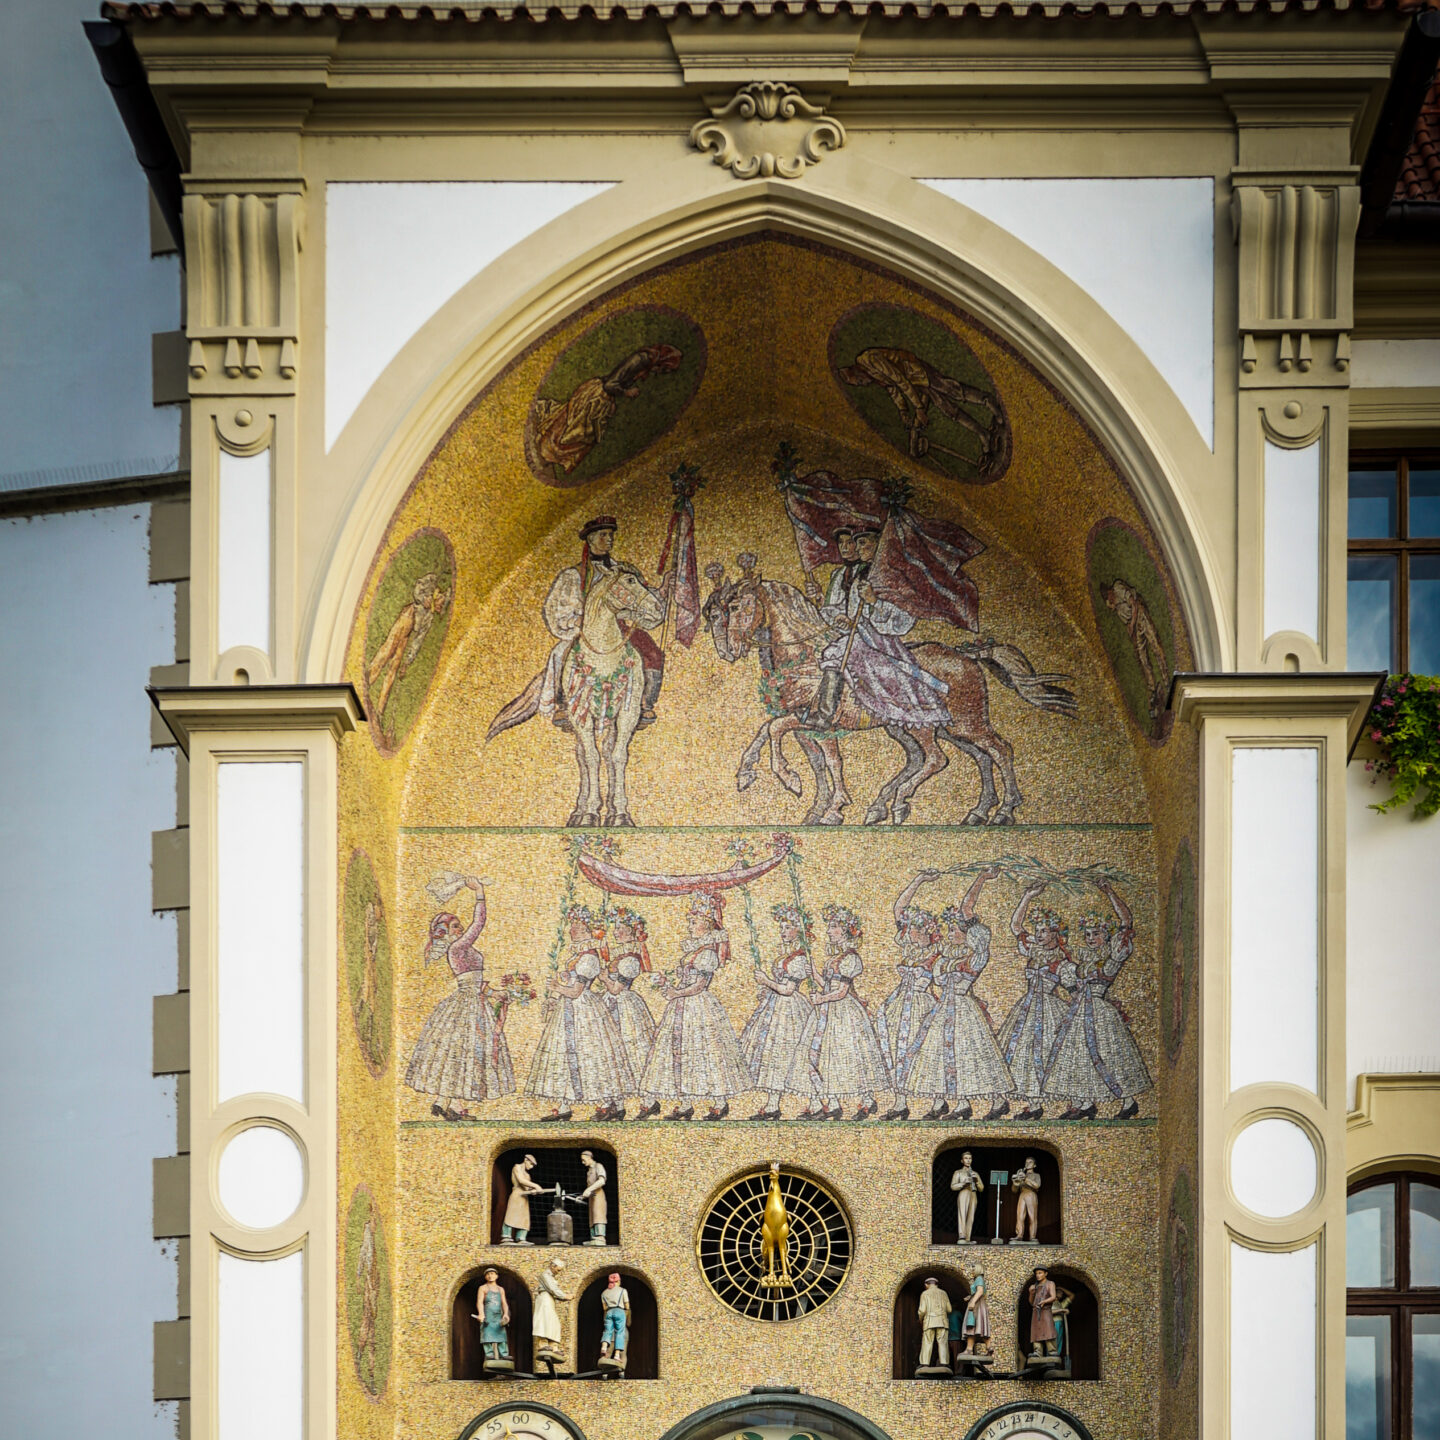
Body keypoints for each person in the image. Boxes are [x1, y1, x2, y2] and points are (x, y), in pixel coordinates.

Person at [897, 867, 1014, 1121]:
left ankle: (998, 1100)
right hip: (945, 1009)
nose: (951, 935)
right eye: (949, 931)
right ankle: (959, 1103)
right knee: (942, 1054)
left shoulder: (977, 956)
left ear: (968, 933)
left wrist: (981, 879)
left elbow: (967, 911)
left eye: (955, 930)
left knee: (971, 1053)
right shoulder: (946, 958)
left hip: (963, 1007)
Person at [807, 527, 950, 731]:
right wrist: (845, 619)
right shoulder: (862, 575)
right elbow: (853, 611)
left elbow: (903, 620)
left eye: (863, 543)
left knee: (833, 653)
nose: (858, 547)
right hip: (859, 633)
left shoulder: (894, 577)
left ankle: (824, 715)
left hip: (878, 640)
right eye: (857, 543)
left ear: (880, 545)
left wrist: (875, 602)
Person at [538, 517, 670, 729]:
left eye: (611, 535)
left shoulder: (625, 571)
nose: (609, 540)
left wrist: (663, 589)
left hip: (620, 626)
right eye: (603, 535)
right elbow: (556, 609)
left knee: (653, 653)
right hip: (585, 630)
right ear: (590, 539)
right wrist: (576, 620)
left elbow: (642, 595)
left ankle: (645, 703)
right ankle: (562, 703)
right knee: (561, 653)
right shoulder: (575, 575)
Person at [404, 878, 514, 1121]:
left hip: (474, 998)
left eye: (459, 925)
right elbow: (480, 923)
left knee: (464, 1053)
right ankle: (448, 1104)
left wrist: (495, 993)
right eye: (455, 926)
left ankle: (446, 1104)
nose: (461, 929)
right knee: (464, 1052)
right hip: (468, 1004)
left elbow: (475, 982)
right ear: (445, 932)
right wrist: (480, 893)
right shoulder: (456, 948)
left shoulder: (460, 949)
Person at [1041, 880, 1152, 1120]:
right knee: (1078, 1056)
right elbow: (1062, 950)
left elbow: (1126, 923)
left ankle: (1128, 1101)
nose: (1091, 938)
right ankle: (1085, 1104)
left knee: (1110, 1055)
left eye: (1096, 933)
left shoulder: (1113, 954)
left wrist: (1109, 892)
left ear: (1106, 935)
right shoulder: (1082, 956)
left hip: (1100, 1010)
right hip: (1080, 1011)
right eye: (1088, 934)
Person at [637, 892, 749, 1121]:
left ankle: (719, 1102)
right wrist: (668, 984)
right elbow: (688, 981)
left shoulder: (707, 954)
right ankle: (685, 1103)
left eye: (694, 921)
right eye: (690, 920)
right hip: (682, 1004)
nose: (689, 925)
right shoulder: (695, 951)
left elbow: (700, 984)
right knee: (681, 1050)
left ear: (707, 925)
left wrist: (677, 992)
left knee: (705, 1051)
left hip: (697, 1006)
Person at [525, 905, 635, 1122]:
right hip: (570, 1008)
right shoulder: (579, 957)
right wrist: (555, 996)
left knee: (589, 1055)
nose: (571, 931)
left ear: (586, 932)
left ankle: (606, 1104)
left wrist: (557, 987)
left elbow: (576, 992)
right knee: (566, 1054)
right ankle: (565, 1106)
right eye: (571, 927)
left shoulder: (589, 959)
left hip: (582, 1009)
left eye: (576, 928)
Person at [787, 904, 891, 1121]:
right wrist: (813, 973)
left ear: (845, 930)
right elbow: (827, 984)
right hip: (828, 1009)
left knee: (849, 1055)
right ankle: (833, 1103)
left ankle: (867, 1100)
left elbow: (842, 991)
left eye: (833, 927)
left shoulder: (850, 958)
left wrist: (822, 998)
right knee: (826, 1056)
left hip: (843, 1011)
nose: (828, 931)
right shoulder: (836, 957)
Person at [995, 882, 1071, 1120]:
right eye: (1037, 931)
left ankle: (1074, 1102)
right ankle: (1033, 1104)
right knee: (1022, 1052)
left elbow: (1075, 988)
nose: (1038, 935)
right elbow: (1016, 926)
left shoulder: (1062, 961)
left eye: (1044, 931)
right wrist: (1027, 896)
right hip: (1027, 1007)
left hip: (1050, 1008)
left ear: (1055, 934)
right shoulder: (1033, 951)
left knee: (1050, 1052)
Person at [739, 904, 815, 1120]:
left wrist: (767, 982)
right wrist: (767, 989)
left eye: (788, 927)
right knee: (773, 1055)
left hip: (790, 1009)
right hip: (776, 1005)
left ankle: (816, 1102)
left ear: (799, 930)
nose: (783, 931)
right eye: (781, 927)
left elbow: (788, 990)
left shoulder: (799, 958)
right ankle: (773, 1105)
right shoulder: (788, 954)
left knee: (793, 1055)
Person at [879, 873, 942, 1119]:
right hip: (900, 1003)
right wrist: (919, 881)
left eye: (915, 927)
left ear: (927, 930)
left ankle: (938, 1102)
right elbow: (899, 908)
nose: (909, 931)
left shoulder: (938, 954)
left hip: (923, 1004)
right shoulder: (909, 947)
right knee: (897, 1049)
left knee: (927, 1052)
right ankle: (900, 1102)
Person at [366, 570, 451, 740]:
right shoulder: (432, 583)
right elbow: (418, 587)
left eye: (442, 608)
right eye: (441, 604)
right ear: (441, 596)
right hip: (406, 618)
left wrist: (408, 662)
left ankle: (380, 710)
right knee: (387, 651)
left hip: (408, 634)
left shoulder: (429, 618)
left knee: (394, 668)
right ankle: (368, 682)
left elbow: (417, 641)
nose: (440, 608)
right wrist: (423, 598)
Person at [600, 907, 656, 1081]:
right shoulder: (620, 956)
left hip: (623, 1004)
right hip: (611, 1001)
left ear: (631, 931)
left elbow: (617, 989)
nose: (615, 932)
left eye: (619, 928)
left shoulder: (630, 959)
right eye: (615, 928)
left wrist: (604, 978)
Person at [533, 1258, 572, 1365]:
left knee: (553, 1323)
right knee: (544, 1321)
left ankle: (554, 1346)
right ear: (553, 1266)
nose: (557, 1272)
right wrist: (565, 1296)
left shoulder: (550, 1276)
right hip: (545, 1298)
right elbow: (553, 1289)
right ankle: (543, 1344)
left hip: (550, 1299)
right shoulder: (545, 1275)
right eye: (558, 1270)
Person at [501, 1154, 546, 1245]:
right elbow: (521, 1180)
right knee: (511, 1215)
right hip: (517, 1195)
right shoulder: (517, 1167)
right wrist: (536, 1186)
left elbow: (527, 1188)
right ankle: (506, 1236)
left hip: (524, 1197)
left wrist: (533, 1191)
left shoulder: (527, 1175)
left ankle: (521, 1238)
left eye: (533, 1165)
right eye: (531, 1164)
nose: (532, 1166)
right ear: (526, 1160)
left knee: (524, 1218)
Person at [473, 1269, 511, 1365]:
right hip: (488, 1315)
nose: (490, 1276)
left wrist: (506, 1314)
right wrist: (481, 1314)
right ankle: (489, 1354)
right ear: (485, 1277)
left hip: (498, 1316)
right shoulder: (483, 1288)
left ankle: (504, 1354)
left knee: (501, 1335)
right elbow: (480, 1302)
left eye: (492, 1274)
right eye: (488, 1274)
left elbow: (504, 1303)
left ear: (496, 1276)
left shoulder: (500, 1289)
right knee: (487, 1334)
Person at [916, 1277, 953, 1371]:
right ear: (936, 1284)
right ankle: (944, 1363)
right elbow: (949, 1309)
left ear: (926, 1285)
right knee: (943, 1342)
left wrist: (920, 1319)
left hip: (929, 1321)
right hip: (942, 1321)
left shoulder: (925, 1293)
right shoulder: (944, 1293)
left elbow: (922, 1310)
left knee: (927, 1342)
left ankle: (924, 1363)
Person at [598, 1273, 631, 1366]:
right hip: (619, 1312)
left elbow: (604, 1308)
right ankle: (619, 1364)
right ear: (618, 1281)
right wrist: (626, 1310)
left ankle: (603, 1347)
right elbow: (627, 1306)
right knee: (620, 1335)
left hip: (609, 1312)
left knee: (607, 1334)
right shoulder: (622, 1291)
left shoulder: (604, 1293)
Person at [951, 1152, 984, 1243]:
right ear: (962, 1160)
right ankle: (962, 1235)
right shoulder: (958, 1172)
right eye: (966, 1158)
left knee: (971, 1216)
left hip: (973, 1194)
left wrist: (976, 1181)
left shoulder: (975, 1173)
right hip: (963, 1193)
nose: (968, 1160)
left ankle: (967, 1238)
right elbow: (953, 1186)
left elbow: (981, 1188)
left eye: (970, 1158)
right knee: (962, 1214)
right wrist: (963, 1183)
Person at [578, 1150, 609, 1246]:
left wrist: (589, 1190)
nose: (583, 1163)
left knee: (598, 1214)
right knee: (592, 1216)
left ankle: (600, 1237)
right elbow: (588, 1189)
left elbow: (601, 1181)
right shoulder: (589, 1171)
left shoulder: (598, 1166)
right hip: (592, 1196)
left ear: (589, 1157)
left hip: (598, 1194)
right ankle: (593, 1237)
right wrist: (582, 1197)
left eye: (584, 1160)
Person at [1028, 1267, 1058, 1358]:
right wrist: (1031, 1293)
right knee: (1036, 1331)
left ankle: (1052, 1351)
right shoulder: (1035, 1286)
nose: (1038, 1275)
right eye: (1036, 1273)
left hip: (1046, 1311)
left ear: (1045, 1273)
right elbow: (1031, 1302)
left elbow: (1053, 1297)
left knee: (1048, 1330)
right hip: (1036, 1312)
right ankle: (1037, 1352)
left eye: (1040, 1273)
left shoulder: (1050, 1283)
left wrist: (1044, 1301)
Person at [1011, 1157, 1042, 1242]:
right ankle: (1019, 1235)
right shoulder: (1021, 1174)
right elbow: (1014, 1190)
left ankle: (1032, 1236)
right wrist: (1015, 1183)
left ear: (1034, 1165)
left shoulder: (1036, 1175)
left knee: (1032, 1217)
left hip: (1031, 1194)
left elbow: (1037, 1185)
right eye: (1026, 1162)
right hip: (1022, 1194)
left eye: (1030, 1162)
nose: (1028, 1164)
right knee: (1020, 1216)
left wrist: (1025, 1179)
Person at [961, 1271, 991, 1355]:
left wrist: (973, 1301)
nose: (972, 1271)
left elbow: (980, 1291)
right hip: (979, 1303)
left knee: (971, 1326)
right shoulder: (979, 1279)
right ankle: (989, 1347)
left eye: (973, 1269)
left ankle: (969, 1349)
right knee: (980, 1326)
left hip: (977, 1305)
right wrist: (970, 1297)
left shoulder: (979, 1278)